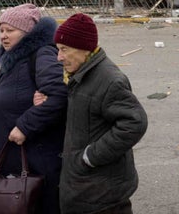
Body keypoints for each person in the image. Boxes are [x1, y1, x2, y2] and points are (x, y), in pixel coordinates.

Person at [54, 13, 148, 214]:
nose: (59, 57)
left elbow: (134, 123)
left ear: (83, 49)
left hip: (102, 194)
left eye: (64, 50)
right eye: (58, 50)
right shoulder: (79, 75)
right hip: (86, 189)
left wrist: (90, 157)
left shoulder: (109, 80)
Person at [0, 3, 67, 214]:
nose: (3, 36)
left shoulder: (41, 54)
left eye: (10, 30)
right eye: (1, 30)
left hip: (37, 163)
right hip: (16, 160)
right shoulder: (13, 58)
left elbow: (61, 93)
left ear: (28, 33)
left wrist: (25, 126)